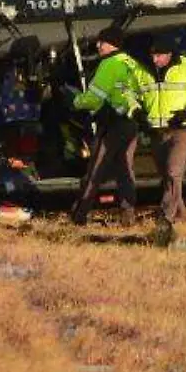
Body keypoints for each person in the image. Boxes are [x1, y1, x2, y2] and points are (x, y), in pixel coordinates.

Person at [68, 25, 148, 226]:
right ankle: (128, 215)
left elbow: (94, 99)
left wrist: (75, 101)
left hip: (112, 125)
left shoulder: (109, 64)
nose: (98, 46)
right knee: (125, 169)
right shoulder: (132, 63)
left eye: (101, 42)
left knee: (96, 169)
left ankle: (79, 215)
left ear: (110, 43)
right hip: (131, 125)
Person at [139, 34, 186, 235]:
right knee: (168, 177)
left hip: (182, 130)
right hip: (156, 132)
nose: (154, 59)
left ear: (169, 54)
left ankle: (165, 218)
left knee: (174, 171)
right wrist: (136, 112)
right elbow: (130, 93)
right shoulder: (143, 71)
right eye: (152, 55)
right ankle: (182, 218)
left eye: (158, 56)